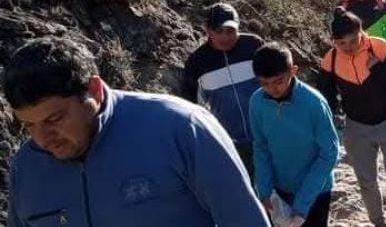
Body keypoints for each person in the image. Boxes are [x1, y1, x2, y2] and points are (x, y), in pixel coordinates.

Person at [3, 37, 271, 227]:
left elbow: (244, 219)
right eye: (29, 125)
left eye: (55, 118)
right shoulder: (26, 168)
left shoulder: (180, 127)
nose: (42, 139)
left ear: (94, 91)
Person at [318, 11, 386, 227]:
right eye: (342, 43)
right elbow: (325, 96)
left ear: (361, 32)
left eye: (354, 40)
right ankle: (378, 222)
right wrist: (331, 120)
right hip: (356, 127)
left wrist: (377, 68)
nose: (349, 46)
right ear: (334, 41)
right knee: (366, 181)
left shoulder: (377, 47)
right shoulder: (331, 59)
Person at [250, 43, 339, 227]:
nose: (273, 89)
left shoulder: (314, 103)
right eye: (265, 83)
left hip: (315, 191)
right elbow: (260, 146)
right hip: (280, 190)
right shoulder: (257, 102)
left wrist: (302, 204)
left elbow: (329, 153)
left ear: (293, 71)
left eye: (279, 81)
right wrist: (264, 191)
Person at [181, 2, 264, 176]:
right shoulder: (197, 62)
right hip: (229, 142)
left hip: (266, 135)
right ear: (208, 30)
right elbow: (190, 107)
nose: (225, 37)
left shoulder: (254, 46)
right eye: (219, 31)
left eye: (230, 31)